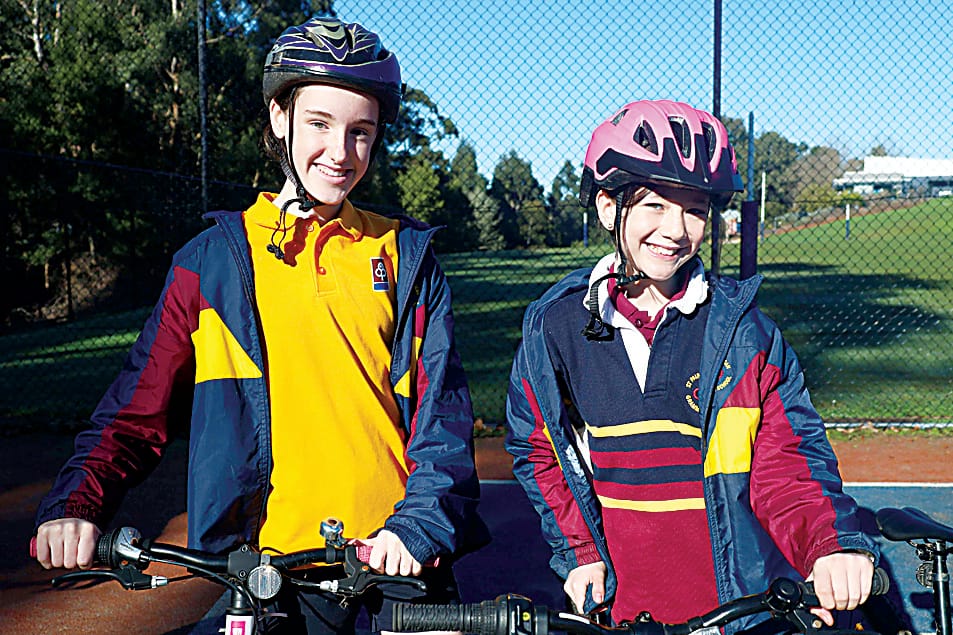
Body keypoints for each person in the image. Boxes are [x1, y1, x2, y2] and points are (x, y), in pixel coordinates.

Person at [33, 16, 487, 633]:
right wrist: (77, 505)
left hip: (397, 567)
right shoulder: (210, 263)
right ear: (279, 118)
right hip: (265, 577)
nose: (340, 152)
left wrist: (419, 524)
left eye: (361, 132)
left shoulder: (405, 256)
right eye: (320, 124)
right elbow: (135, 412)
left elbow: (444, 418)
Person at [504, 99, 878, 631]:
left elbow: (791, 465)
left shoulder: (746, 335)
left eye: (695, 209)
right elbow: (537, 447)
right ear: (609, 208)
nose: (676, 229)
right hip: (622, 609)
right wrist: (580, 549)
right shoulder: (555, 329)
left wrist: (829, 545)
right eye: (655, 205)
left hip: (739, 610)